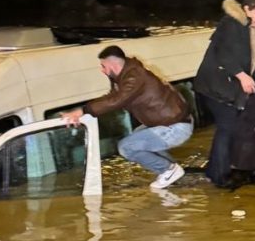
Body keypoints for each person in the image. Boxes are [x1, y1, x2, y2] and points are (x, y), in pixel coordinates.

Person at [61, 45, 192, 189]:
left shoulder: (134, 77)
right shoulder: (126, 75)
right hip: (169, 123)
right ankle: (173, 174)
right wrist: (84, 114)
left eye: (103, 66)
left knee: (126, 147)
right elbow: (112, 98)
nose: (102, 70)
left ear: (113, 65)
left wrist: (82, 111)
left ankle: (168, 170)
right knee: (138, 136)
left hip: (174, 127)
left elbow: (117, 100)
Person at [193, 0, 255, 187]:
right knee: (227, 127)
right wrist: (242, 76)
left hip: (227, 87)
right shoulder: (231, 24)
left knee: (228, 127)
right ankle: (219, 176)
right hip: (213, 86)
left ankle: (216, 170)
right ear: (246, 9)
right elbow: (223, 54)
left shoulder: (250, 27)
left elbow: (251, 61)